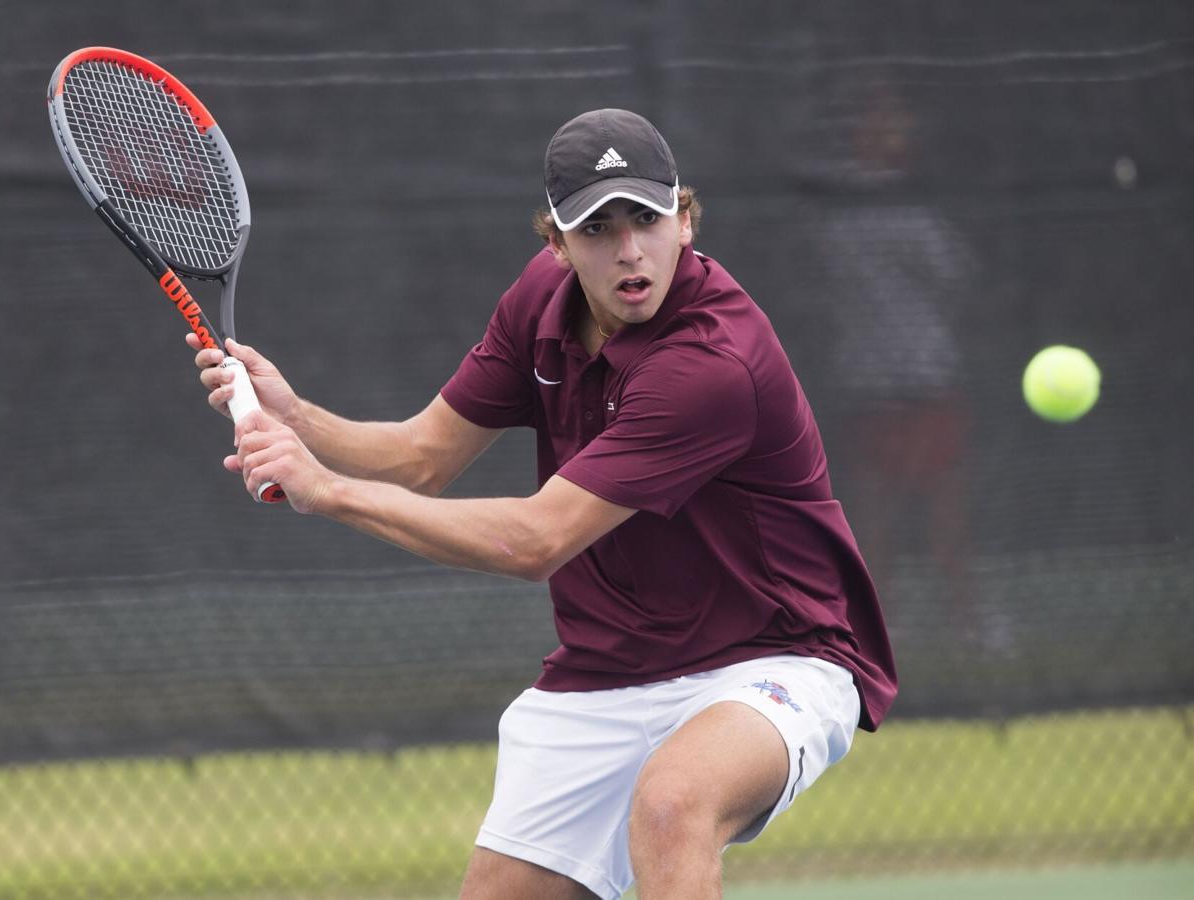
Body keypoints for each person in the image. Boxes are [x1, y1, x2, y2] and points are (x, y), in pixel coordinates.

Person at [189, 108, 897, 900]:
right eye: (596, 229)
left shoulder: (710, 363)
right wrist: (299, 418)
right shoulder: (540, 306)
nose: (629, 250)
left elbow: (536, 541)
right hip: (607, 672)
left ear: (685, 221)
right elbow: (424, 457)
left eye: (647, 219)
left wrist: (327, 491)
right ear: (556, 246)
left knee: (673, 804)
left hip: (775, 654)